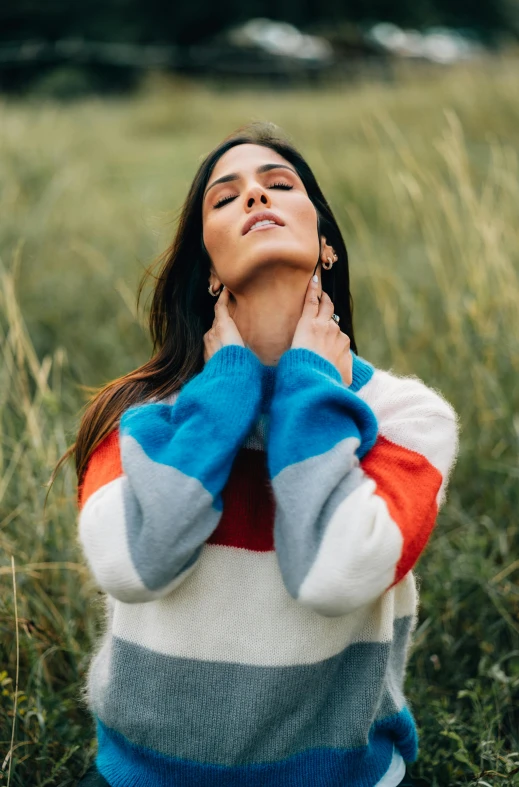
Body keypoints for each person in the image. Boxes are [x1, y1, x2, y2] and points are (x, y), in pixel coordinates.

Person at [70, 122, 459, 786]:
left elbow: (334, 576)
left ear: (324, 244)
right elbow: (135, 564)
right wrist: (225, 391)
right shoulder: (138, 416)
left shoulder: (404, 416)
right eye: (225, 197)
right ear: (206, 264)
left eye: (278, 184)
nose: (254, 195)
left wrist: (307, 380)